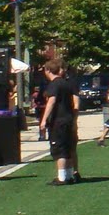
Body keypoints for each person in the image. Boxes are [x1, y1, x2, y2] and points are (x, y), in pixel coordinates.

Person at [39, 57, 82, 185]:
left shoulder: (55, 84)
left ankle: (61, 178)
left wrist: (43, 120)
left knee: (59, 149)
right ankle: (68, 176)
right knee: (68, 148)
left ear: (48, 70)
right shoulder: (67, 84)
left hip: (59, 121)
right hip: (68, 119)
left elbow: (51, 102)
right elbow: (75, 102)